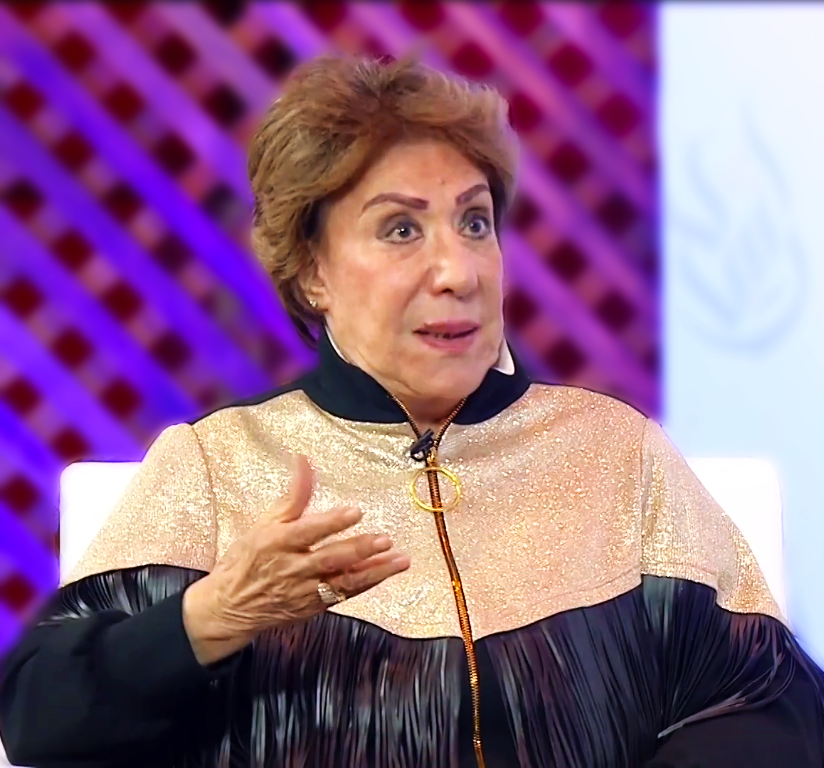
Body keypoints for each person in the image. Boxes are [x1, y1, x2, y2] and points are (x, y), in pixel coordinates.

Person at [1, 54, 822, 768]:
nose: (458, 271)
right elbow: (37, 716)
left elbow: (769, 705)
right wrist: (214, 616)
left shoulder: (615, 450)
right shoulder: (217, 465)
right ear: (313, 272)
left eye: (475, 222)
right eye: (400, 230)